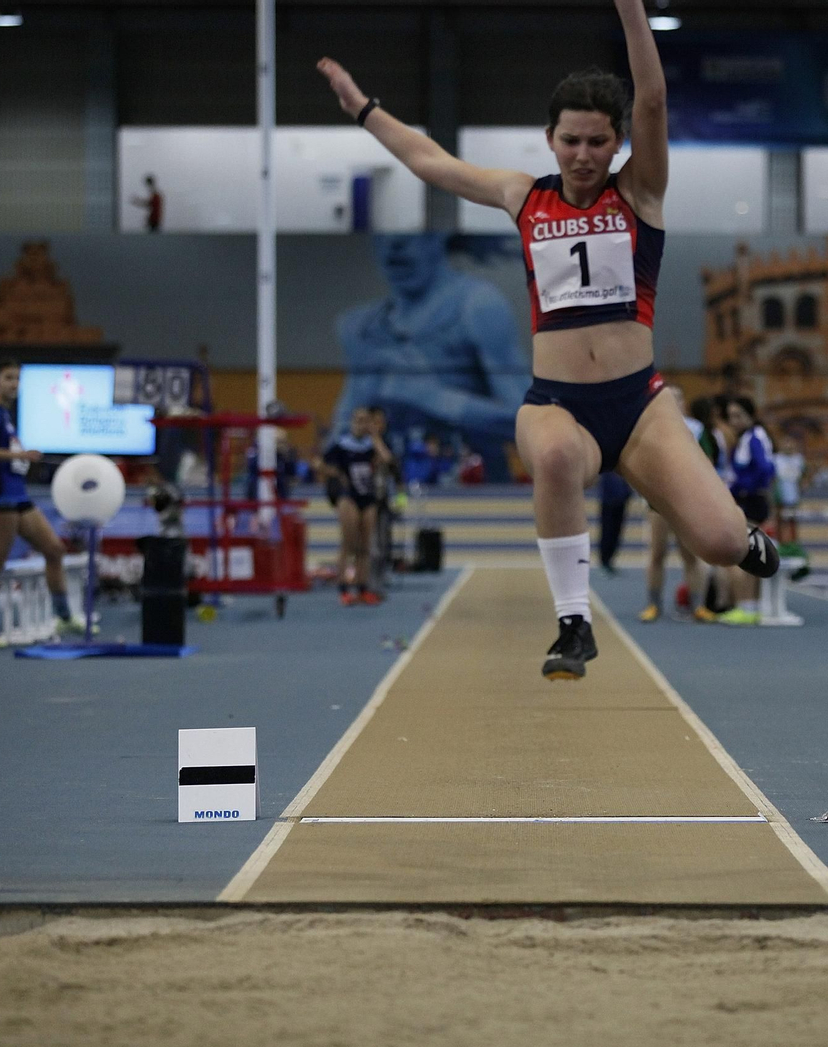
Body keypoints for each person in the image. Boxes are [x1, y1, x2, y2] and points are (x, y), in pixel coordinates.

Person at [319, 2, 778, 680]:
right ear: (550, 139)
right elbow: (429, 160)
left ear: (617, 142)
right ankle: (573, 623)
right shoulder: (522, 197)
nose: (584, 155)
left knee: (716, 541)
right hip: (556, 402)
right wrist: (363, 108)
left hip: (641, 406)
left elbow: (652, 97)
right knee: (557, 454)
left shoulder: (640, 193)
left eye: (598, 141)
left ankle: (745, 536)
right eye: (572, 141)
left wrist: (630, 10)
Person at [330, 234, 529, 481]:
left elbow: (528, 422)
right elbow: (339, 438)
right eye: (383, 232)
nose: (395, 245)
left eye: (413, 233)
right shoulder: (362, 326)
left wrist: (431, 396)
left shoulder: (478, 306)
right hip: (399, 484)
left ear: (440, 235)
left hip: (474, 491)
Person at [0, 363, 82, 646]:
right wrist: (23, 455)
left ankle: (64, 616)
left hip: (19, 497)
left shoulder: (5, 415)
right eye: (8, 378)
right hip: (0, 499)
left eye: (18, 379)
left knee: (54, 550)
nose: (14, 383)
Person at [641, 384, 709, 623]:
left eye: (677, 399)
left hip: (688, 501)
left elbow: (707, 462)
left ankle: (697, 605)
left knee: (690, 555)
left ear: (683, 403)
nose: (673, 403)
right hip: (658, 501)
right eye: (667, 399)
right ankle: (653, 604)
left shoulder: (697, 429)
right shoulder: (648, 428)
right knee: (657, 552)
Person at [324, 407, 391, 606]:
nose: (362, 424)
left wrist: (375, 435)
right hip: (349, 497)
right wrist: (337, 475)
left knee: (365, 546)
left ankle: (362, 588)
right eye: (359, 420)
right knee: (348, 543)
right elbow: (321, 464)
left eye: (366, 421)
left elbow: (387, 459)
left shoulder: (372, 445)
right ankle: (344, 589)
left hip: (368, 497)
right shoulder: (342, 445)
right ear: (353, 422)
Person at [718, 397, 774, 626]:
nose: (734, 421)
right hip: (747, 500)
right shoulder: (745, 439)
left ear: (750, 416)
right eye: (730, 416)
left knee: (742, 556)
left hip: (751, 502)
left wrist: (743, 488)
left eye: (738, 416)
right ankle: (749, 605)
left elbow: (766, 469)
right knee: (749, 554)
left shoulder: (754, 438)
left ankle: (747, 606)